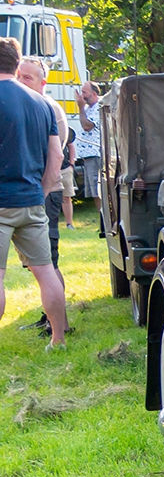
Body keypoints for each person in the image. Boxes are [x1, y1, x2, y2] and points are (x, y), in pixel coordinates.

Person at [0, 38, 68, 348]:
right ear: (16, 64)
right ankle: (58, 338)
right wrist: (39, 193)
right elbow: (57, 156)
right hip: (31, 200)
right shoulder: (42, 103)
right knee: (46, 272)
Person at [17, 57, 71, 301]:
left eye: (27, 77)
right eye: (19, 76)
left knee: (48, 261)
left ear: (43, 82)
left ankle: (59, 325)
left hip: (45, 192)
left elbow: (54, 156)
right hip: (33, 192)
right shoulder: (27, 104)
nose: (21, 81)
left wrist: (41, 193)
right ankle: (49, 318)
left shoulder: (47, 107)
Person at [74, 79, 102, 233]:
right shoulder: (89, 108)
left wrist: (80, 108)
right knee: (94, 192)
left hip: (96, 154)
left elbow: (87, 125)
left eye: (84, 92)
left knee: (98, 190)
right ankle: (102, 222)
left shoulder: (98, 108)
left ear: (94, 93)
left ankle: (105, 223)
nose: (82, 95)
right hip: (89, 155)